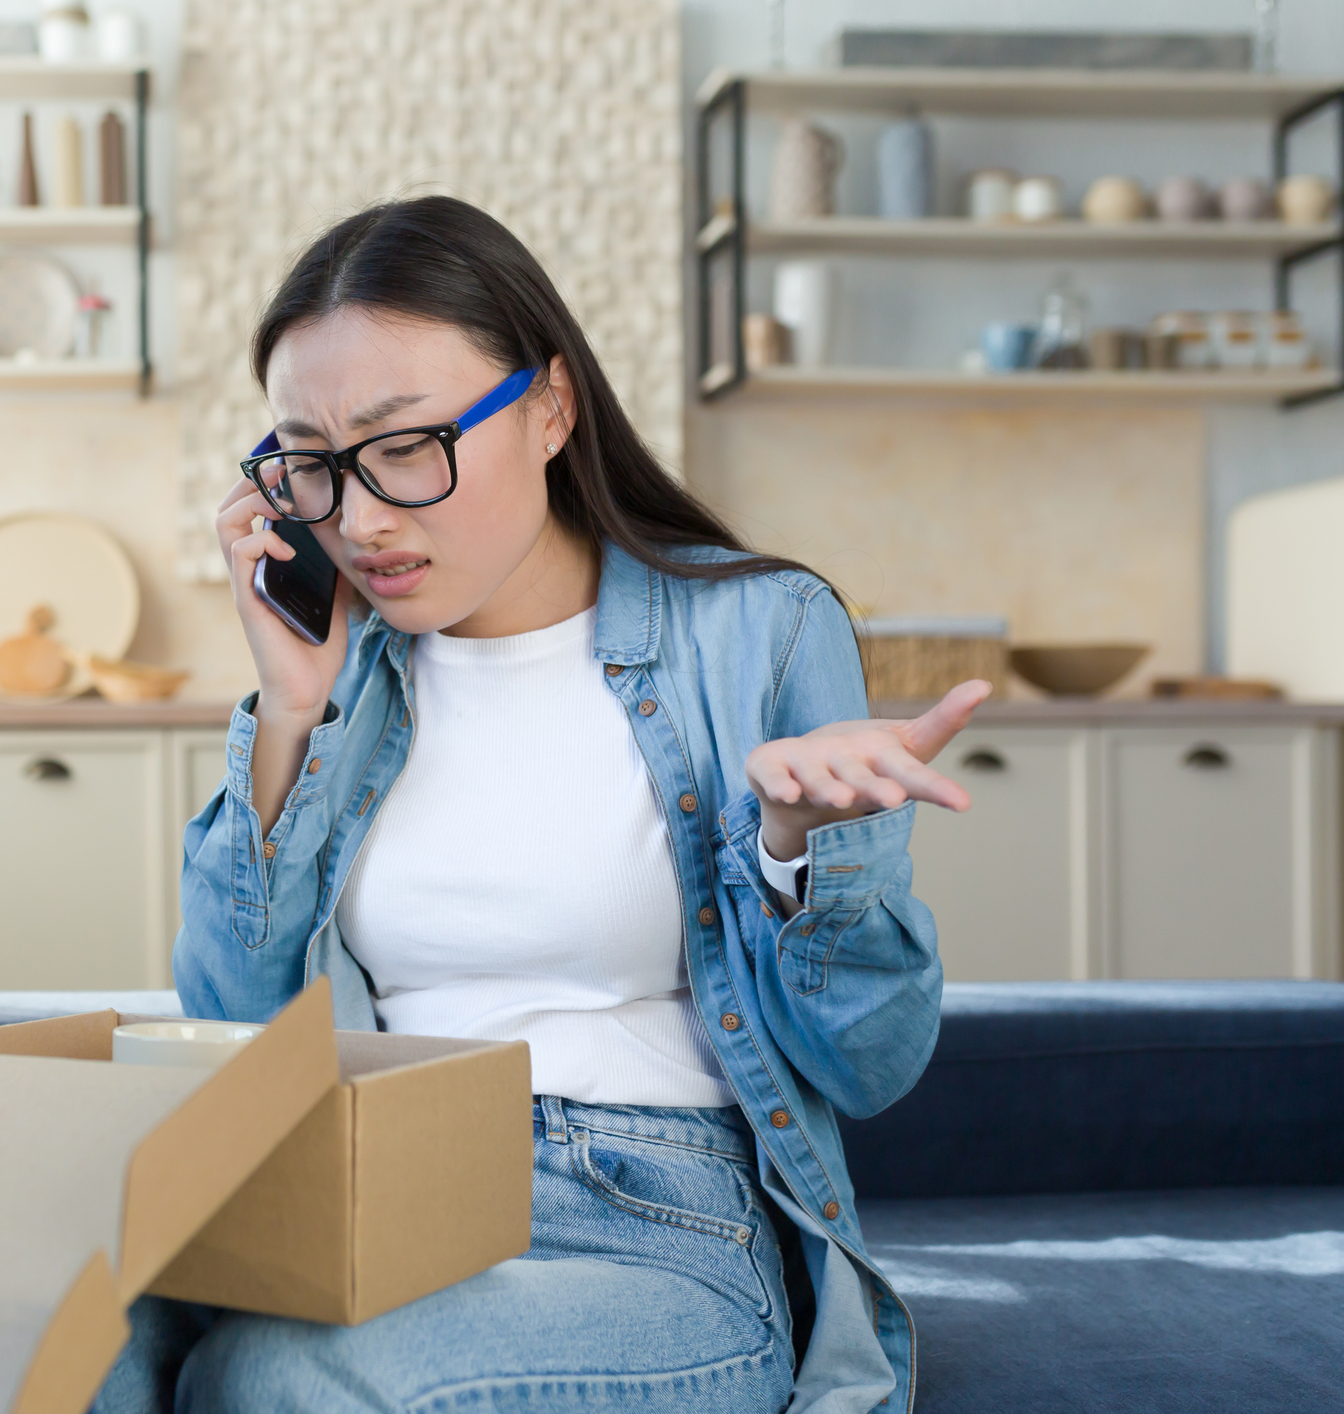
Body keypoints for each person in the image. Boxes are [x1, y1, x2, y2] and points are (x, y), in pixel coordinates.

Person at [98, 195, 988, 1414]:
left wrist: (804, 855)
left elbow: (871, 1062)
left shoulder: (759, 629)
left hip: (650, 1216)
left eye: (405, 444)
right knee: (56, 1330)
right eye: (312, 462)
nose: (357, 521)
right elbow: (237, 1016)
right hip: (364, 1189)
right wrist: (290, 709)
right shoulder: (342, 673)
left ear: (551, 405)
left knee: (282, 1382)